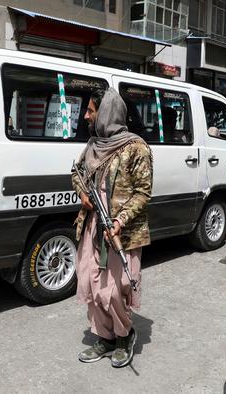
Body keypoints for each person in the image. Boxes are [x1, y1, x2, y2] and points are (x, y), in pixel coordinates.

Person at [71, 88, 153, 368]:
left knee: (115, 289)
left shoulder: (136, 147)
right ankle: (104, 337)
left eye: (91, 110)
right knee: (92, 285)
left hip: (121, 233)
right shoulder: (93, 145)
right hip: (92, 227)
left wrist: (119, 222)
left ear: (106, 113)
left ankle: (124, 335)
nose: (86, 115)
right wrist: (82, 193)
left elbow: (143, 192)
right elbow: (76, 172)